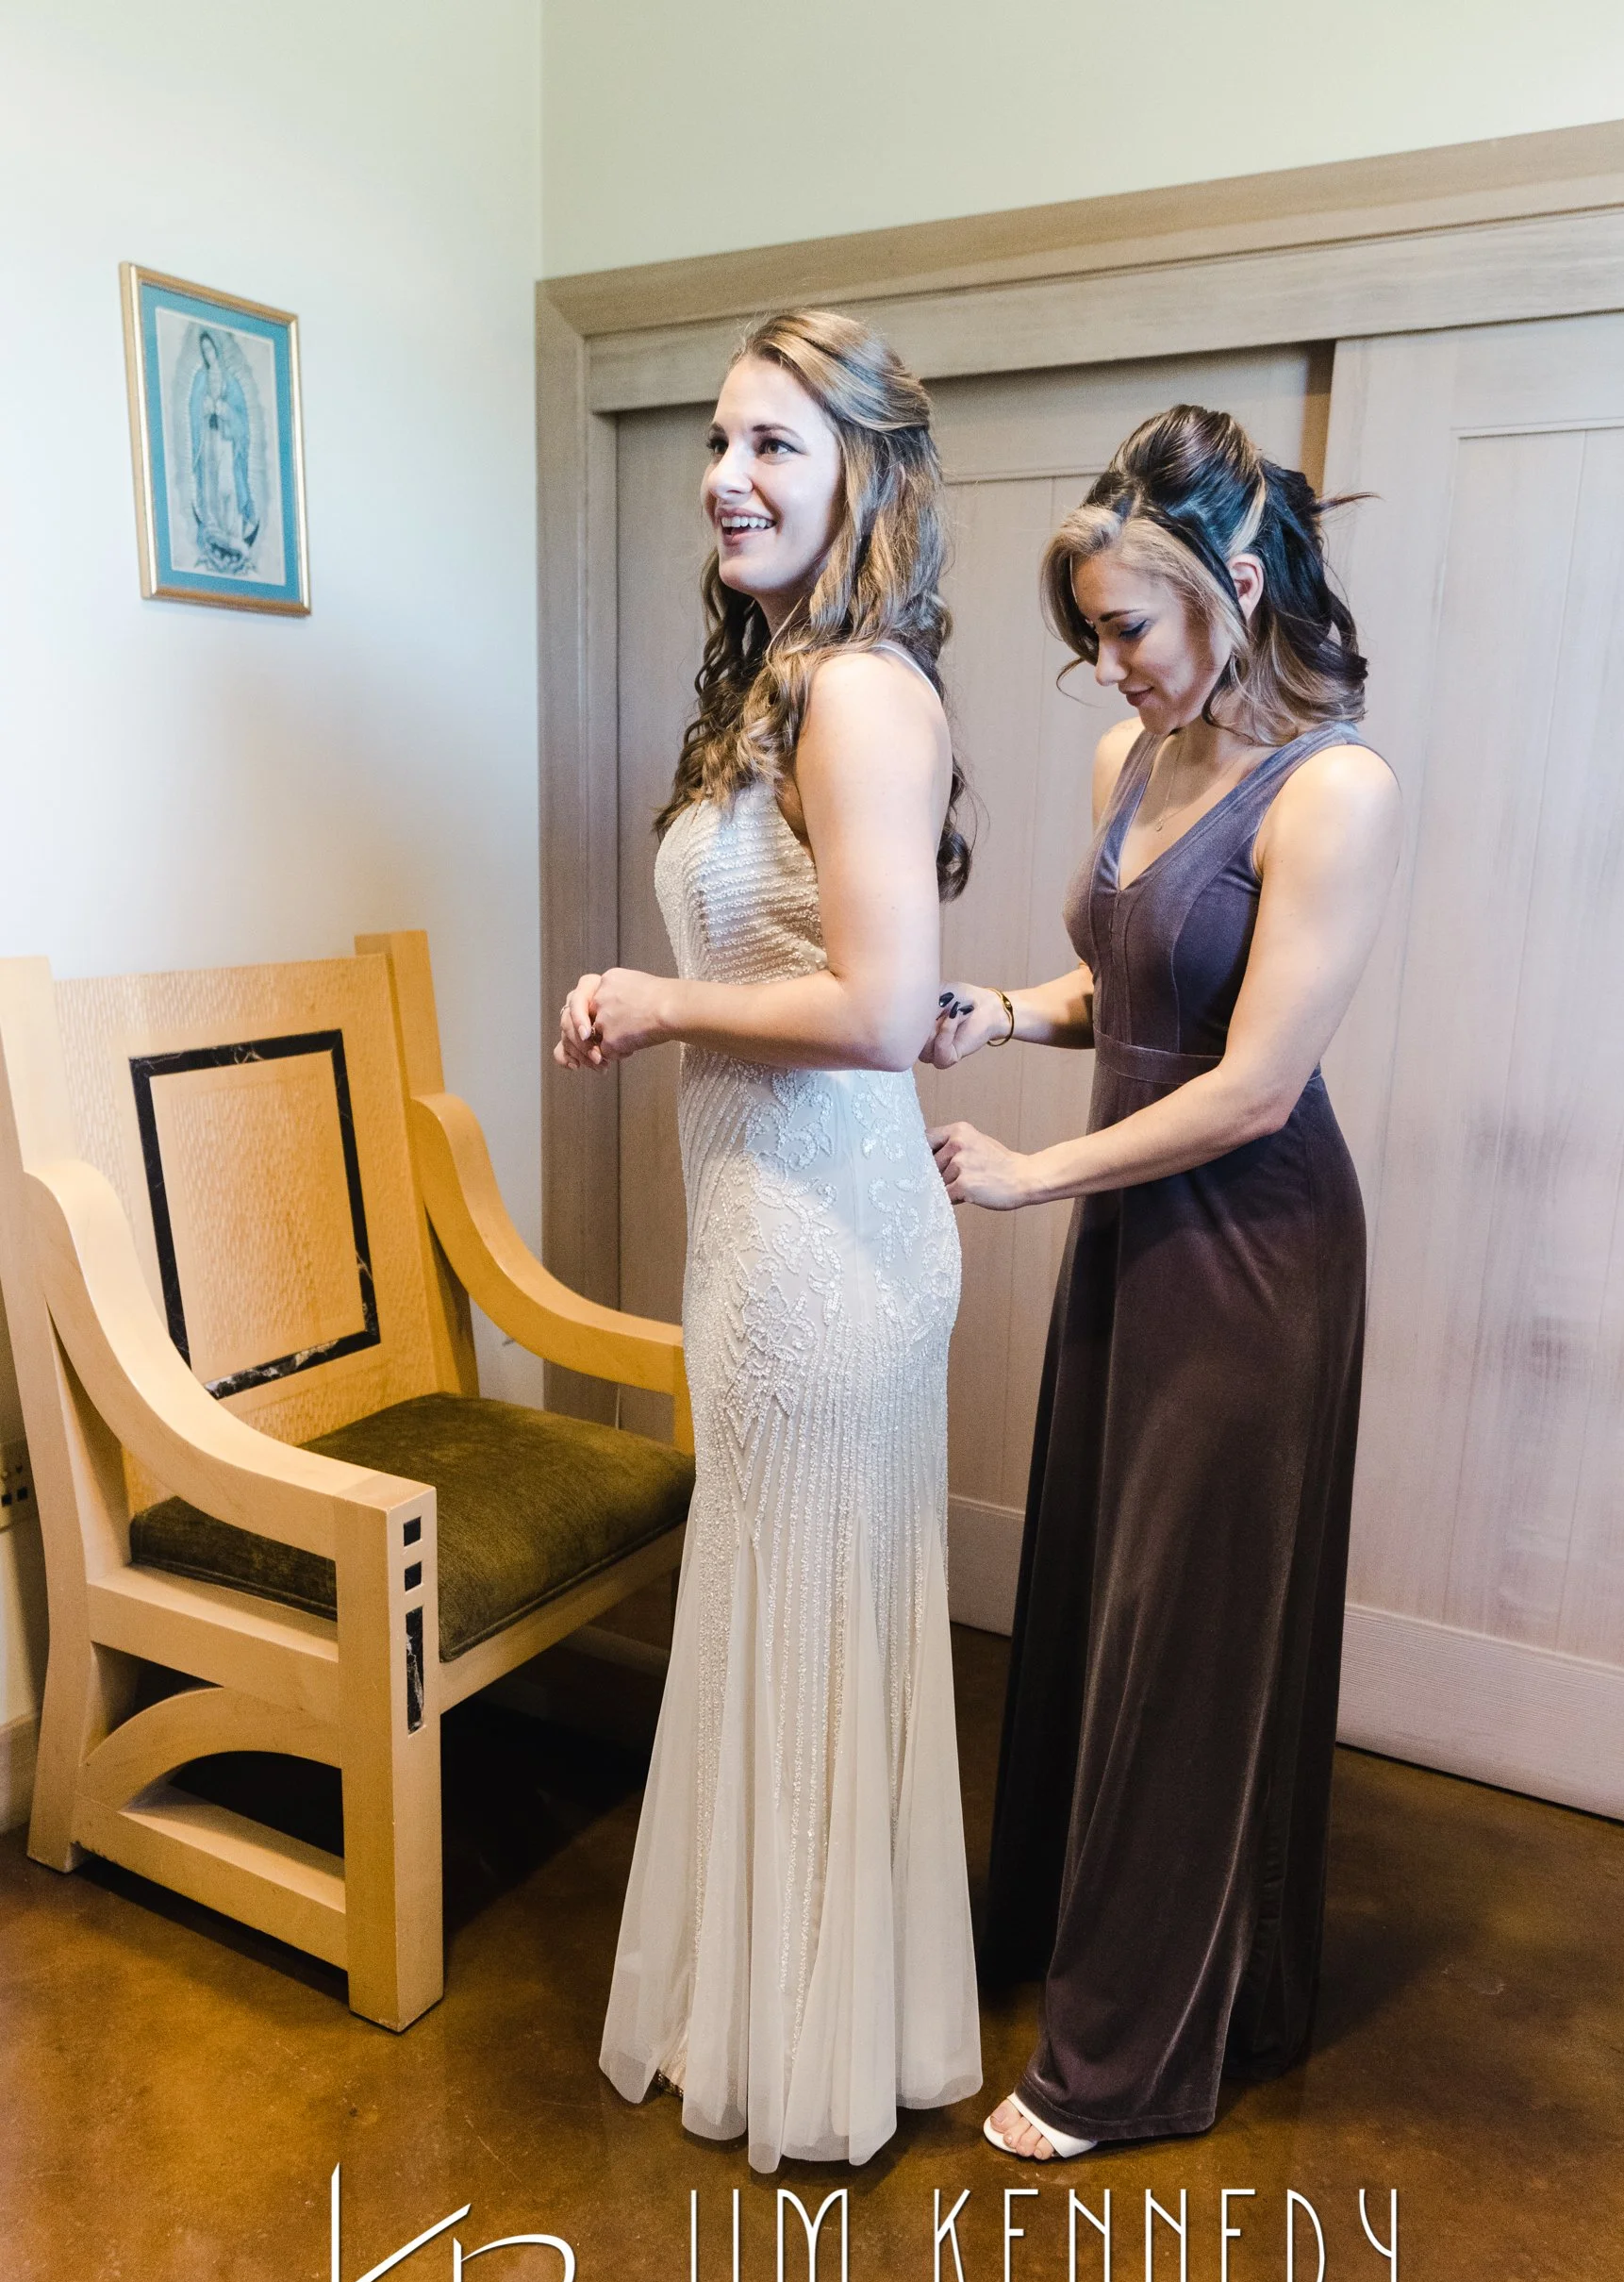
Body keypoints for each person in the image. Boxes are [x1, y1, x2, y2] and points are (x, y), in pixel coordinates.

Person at [925, 405, 1400, 2161]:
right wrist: (997, 1012)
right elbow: (1123, 984)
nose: (1109, 667)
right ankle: (1101, 1951)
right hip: (1137, 1227)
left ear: (1237, 587)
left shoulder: (1334, 791)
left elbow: (1253, 1083)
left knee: (1188, 1640)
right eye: (1091, 637)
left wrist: (1036, 1174)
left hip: (1253, 1252)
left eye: (1128, 628)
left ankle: (1122, 2060)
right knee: (1098, 1601)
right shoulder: (1134, 760)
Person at [557, 309, 983, 2173]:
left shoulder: (862, 694)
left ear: (860, 477)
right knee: (770, 1621)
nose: (726, 478)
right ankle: (773, 2000)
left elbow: (883, 1011)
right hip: (755, 1230)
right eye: (719, 443)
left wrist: (660, 1001)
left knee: (808, 1630)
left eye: (774, 447)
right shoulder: (776, 678)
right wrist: (658, 1002)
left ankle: (808, 2052)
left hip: (831, 1251)